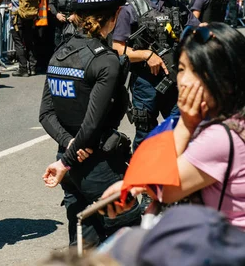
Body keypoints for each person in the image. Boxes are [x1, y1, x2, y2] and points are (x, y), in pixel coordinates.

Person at [101, 23, 245, 230]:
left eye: (197, 72)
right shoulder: (224, 120)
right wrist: (136, 186)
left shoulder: (220, 136)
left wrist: (184, 127)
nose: (184, 81)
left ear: (228, 80)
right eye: (182, 69)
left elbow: (165, 189)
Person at [41, 0, 141, 248]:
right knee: (130, 234)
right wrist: (69, 157)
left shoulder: (60, 53)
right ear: (116, 14)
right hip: (97, 165)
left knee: (84, 245)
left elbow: (46, 114)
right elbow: (92, 123)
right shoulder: (105, 60)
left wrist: (67, 147)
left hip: (70, 162)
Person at [112, 0, 200, 151]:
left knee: (182, 132)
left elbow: (197, 28)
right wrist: (146, 55)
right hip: (146, 83)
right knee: (146, 137)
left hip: (175, 80)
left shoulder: (175, 5)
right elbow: (117, 47)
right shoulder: (131, 8)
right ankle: (142, 179)